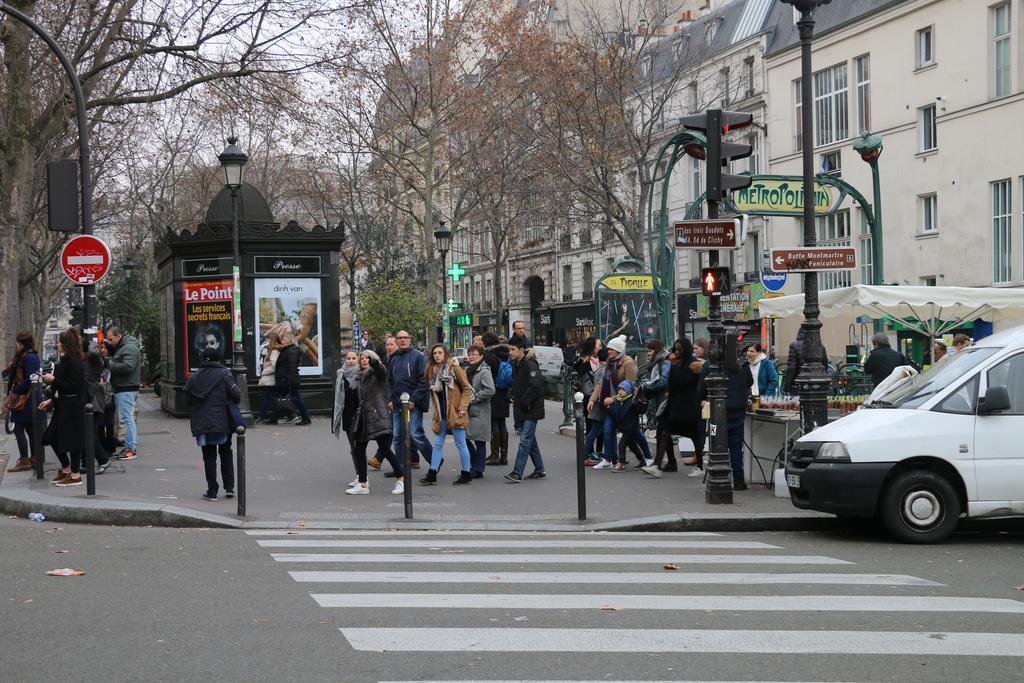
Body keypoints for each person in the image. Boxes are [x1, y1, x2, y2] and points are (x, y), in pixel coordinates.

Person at [184, 347, 239, 500]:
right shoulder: (225, 375)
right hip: (223, 420)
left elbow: (187, 400)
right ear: (218, 359)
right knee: (226, 452)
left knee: (209, 456)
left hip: (203, 421)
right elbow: (237, 395)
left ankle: (212, 491)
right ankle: (229, 488)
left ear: (203, 359)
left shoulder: (194, 378)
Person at [346, 350, 405, 495]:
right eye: (362, 358)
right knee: (358, 449)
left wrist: (374, 361)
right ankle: (363, 484)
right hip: (364, 419)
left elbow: (380, 369)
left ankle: (401, 479)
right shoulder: (360, 376)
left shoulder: (378, 373)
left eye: (367, 358)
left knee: (385, 449)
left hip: (378, 416)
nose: (364, 360)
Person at [645, 338, 705, 478]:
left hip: (688, 407)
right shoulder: (675, 364)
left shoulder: (692, 364)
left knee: (694, 436)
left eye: (679, 350)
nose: (677, 352)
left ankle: (700, 466)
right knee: (665, 432)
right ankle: (657, 465)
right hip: (675, 406)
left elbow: (683, 382)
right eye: (675, 349)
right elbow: (671, 384)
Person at [588, 335, 645, 472]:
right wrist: (593, 399)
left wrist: (614, 398)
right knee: (608, 431)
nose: (608, 351)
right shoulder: (609, 361)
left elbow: (630, 386)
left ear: (618, 350)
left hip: (625, 406)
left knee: (636, 434)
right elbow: (602, 383)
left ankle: (647, 458)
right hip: (610, 406)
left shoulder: (628, 362)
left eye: (611, 349)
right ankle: (609, 459)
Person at [421, 345, 474, 486]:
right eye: (435, 353)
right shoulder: (430, 371)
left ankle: (466, 473)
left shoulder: (454, 368)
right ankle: (432, 473)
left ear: (445, 354)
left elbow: (467, 388)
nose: (437, 355)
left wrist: (462, 408)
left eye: (440, 353)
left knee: (461, 443)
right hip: (441, 413)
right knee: (438, 443)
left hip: (455, 412)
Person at [40, 328, 87, 487]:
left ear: (66, 344)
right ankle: (67, 469)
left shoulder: (74, 362)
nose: (57, 345)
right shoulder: (67, 360)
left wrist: (53, 380)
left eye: (60, 342)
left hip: (72, 408)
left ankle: (75, 475)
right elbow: (63, 387)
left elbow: (74, 386)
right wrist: (52, 401)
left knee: (73, 442)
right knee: (52, 437)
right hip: (63, 407)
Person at [698, 355, 753, 490]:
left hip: (718, 411)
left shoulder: (710, 365)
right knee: (736, 447)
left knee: (716, 444)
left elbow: (701, 389)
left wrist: (704, 399)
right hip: (738, 410)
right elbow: (749, 382)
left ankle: (718, 476)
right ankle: (738, 479)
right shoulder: (742, 363)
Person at [504, 338, 545, 482]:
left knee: (525, 439)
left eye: (512, 349)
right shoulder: (516, 363)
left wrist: (524, 401)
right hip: (524, 406)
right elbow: (517, 383)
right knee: (530, 440)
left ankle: (517, 472)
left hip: (531, 407)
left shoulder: (529, 364)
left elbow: (536, 385)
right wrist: (512, 394)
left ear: (521, 350)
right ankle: (540, 469)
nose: (510, 352)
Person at [388, 330, 431, 468]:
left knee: (415, 434)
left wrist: (414, 400)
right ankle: (401, 469)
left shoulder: (418, 356)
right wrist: (389, 399)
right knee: (397, 437)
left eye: (405, 338)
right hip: (396, 404)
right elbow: (389, 381)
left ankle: (434, 462)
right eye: (399, 338)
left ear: (409, 339)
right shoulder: (393, 358)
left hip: (413, 404)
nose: (402, 340)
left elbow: (423, 380)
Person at [5, 331, 40, 473]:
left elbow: (30, 378)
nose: (16, 345)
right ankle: (33, 458)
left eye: (17, 343)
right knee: (29, 429)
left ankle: (26, 459)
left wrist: (17, 390)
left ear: (21, 343)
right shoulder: (26, 356)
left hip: (26, 399)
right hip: (27, 399)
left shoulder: (29, 357)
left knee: (20, 428)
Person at [106, 326, 142, 461]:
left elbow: (128, 366)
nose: (110, 342)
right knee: (127, 418)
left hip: (126, 387)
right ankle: (129, 447)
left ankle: (131, 449)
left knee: (127, 419)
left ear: (118, 336)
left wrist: (110, 364)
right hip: (124, 387)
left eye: (111, 339)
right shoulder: (125, 347)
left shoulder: (128, 348)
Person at [464, 345, 495, 478]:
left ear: (481, 356)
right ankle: (475, 465)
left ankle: (478, 469)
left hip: (480, 411)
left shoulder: (484, 371)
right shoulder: (469, 370)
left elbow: (490, 390)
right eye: (469, 354)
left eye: (474, 354)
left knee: (479, 440)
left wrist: (474, 398)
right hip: (468, 410)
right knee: (464, 438)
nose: (471, 356)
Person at [573, 337, 604, 464]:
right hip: (588, 398)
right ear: (591, 347)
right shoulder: (583, 361)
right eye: (598, 346)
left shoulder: (601, 360)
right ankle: (590, 454)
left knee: (600, 426)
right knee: (591, 425)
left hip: (600, 397)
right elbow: (582, 382)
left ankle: (598, 451)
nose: (600, 348)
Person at [84, 347, 114, 474]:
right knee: (88, 431)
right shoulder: (91, 362)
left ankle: (102, 459)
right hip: (94, 399)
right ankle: (86, 462)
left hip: (94, 400)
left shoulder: (91, 360)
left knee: (89, 432)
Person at [483, 331, 510, 466]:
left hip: (493, 392)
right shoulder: (505, 354)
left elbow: (487, 375)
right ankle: (504, 455)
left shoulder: (489, 356)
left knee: (493, 423)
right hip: (504, 392)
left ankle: (494, 455)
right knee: (502, 423)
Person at [274, 325, 311, 425]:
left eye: (284, 339)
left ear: (289, 340)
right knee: (296, 399)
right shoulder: (289, 350)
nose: (282, 341)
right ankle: (302, 417)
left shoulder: (292, 351)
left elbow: (291, 368)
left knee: (297, 399)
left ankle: (305, 418)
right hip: (289, 380)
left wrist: (288, 382)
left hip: (290, 380)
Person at [332, 350, 360, 454]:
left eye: (354, 358)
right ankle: (358, 466)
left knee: (360, 444)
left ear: (358, 359)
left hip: (360, 411)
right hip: (347, 411)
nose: (351, 361)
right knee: (352, 443)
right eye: (348, 359)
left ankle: (360, 463)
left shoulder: (362, 373)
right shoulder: (341, 375)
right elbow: (338, 396)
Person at [256, 328, 282, 423]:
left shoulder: (274, 351)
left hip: (269, 379)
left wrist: (264, 372)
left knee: (266, 398)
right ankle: (273, 418)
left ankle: (263, 416)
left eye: (269, 338)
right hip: (270, 379)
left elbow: (274, 366)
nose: (267, 340)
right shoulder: (270, 350)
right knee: (272, 398)